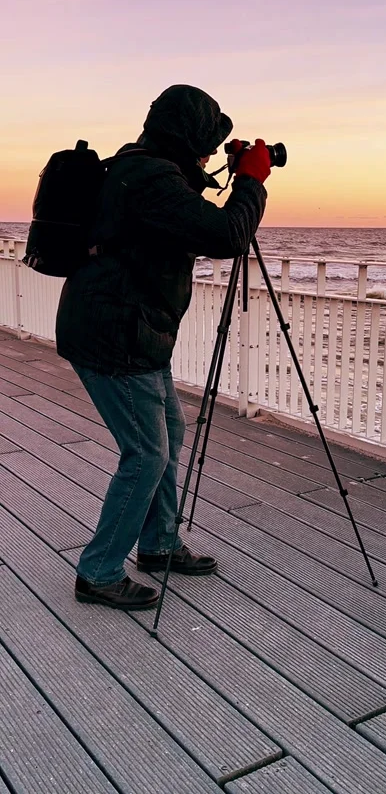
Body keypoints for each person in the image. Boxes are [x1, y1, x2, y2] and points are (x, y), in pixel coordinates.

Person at [55, 84, 271, 610]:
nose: (208, 152)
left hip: (131, 328)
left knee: (168, 431)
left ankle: (157, 544)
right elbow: (225, 236)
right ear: (185, 135)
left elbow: (188, 221)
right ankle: (99, 571)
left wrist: (226, 175)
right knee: (147, 454)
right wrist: (250, 182)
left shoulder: (145, 168)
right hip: (115, 333)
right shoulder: (150, 177)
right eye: (206, 140)